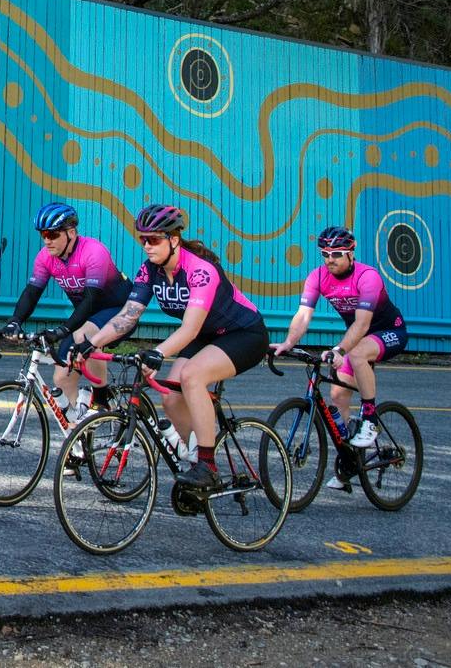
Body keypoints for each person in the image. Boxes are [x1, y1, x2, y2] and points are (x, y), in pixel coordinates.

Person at [72, 204, 270, 492]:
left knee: (192, 377)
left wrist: (159, 352)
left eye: (154, 239)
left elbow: (189, 328)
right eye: (143, 240)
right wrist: (91, 343)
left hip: (244, 334)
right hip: (207, 334)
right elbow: (128, 316)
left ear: (174, 239)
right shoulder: (149, 270)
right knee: (170, 395)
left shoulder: (200, 271)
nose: (147, 246)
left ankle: (208, 466)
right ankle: (194, 456)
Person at [273, 226, 407, 488]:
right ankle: (349, 461)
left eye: (336, 253)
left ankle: (369, 420)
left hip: (389, 332)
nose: (330, 259)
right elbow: (303, 315)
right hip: (357, 336)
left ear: (350, 254)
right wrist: (289, 342)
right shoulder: (318, 277)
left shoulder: (367, 277)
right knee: (336, 396)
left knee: (356, 354)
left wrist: (340, 350)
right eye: (325, 253)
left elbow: (361, 325)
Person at [1, 202, 130, 421]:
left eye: (52, 234)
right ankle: (79, 435)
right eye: (43, 234)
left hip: (119, 309)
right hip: (88, 314)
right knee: (61, 376)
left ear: (71, 232)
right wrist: (15, 321)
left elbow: (91, 300)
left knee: (84, 335)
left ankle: (101, 401)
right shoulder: (45, 257)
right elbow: (32, 292)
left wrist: (63, 330)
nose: (47, 240)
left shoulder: (93, 251)